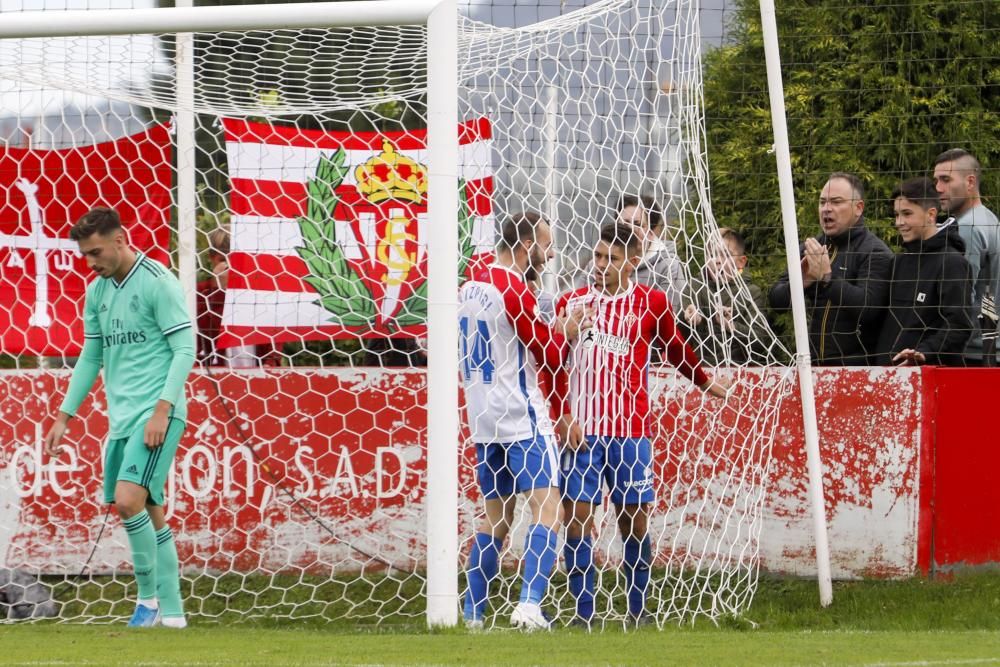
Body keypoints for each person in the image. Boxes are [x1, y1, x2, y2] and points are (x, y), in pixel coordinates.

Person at [556, 221, 729, 628]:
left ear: (632, 262)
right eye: (597, 256)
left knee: (633, 523)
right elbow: (552, 364)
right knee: (578, 522)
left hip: (631, 433)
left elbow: (674, 348)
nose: (599, 265)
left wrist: (705, 382)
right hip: (581, 433)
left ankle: (639, 611)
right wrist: (563, 413)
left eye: (610, 259)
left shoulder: (652, 302)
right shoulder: (572, 301)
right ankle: (584, 615)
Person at [43, 207, 195, 628]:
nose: (91, 263)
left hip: (158, 413)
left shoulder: (158, 282)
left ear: (120, 240)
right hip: (122, 419)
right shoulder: (98, 291)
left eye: (95, 253)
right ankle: (174, 611)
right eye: (86, 255)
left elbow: (185, 349)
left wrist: (162, 412)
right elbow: (92, 355)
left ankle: (148, 601)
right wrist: (63, 417)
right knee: (149, 509)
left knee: (129, 502)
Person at [459, 211, 590, 631]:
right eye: (546, 245)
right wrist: (567, 329)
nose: (550, 254)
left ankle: (473, 613)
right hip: (521, 416)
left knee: (495, 518)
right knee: (548, 509)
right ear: (525, 245)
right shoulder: (512, 289)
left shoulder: (471, 283)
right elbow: (549, 355)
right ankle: (529, 605)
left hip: (482, 417)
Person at [769, 173, 893, 365]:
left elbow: (868, 309)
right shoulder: (810, 248)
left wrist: (828, 279)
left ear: (858, 208)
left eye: (836, 202)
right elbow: (776, 302)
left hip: (858, 369)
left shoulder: (875, 251)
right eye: (822, 202)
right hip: (811, 368)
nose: (826, 209)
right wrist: (799, 282)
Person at [873, 177, 973, 366]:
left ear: (931, 214)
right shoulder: (900, 261)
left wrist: (924, 353)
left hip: (931, 378)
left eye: (907, 213)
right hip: (888, 376)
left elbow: (959, 326)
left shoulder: (952, 263)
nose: (899, 222)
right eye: (896, 215)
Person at [933, 148, 1000, 366]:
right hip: (988, 348)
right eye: (936, 181)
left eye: (946, 180)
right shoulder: (989, 219)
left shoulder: (967, 228)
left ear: (970, 182)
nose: (938, 188)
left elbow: (962, 297)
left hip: (971, 353)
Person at [575, 194, 687, 311]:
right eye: (624, 223)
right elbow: (578, 306)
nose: (629, 229)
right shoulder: (597, 265)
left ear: (651, 232)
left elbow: (667, 315)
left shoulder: (668, 267)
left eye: (637, 224)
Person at [680, 228, 770, 365]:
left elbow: (760, 342)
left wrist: (731, 326)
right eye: (712, 254)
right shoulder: (694, 287)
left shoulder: (752, 293)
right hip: (699, 372)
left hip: (740, 371)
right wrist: (687, 319)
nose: (717, 261)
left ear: (741, 261)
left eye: (725, 255)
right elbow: (675, 337)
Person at [196, 228, 281, 368]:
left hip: (256, 371)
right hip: (216, 373)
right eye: (223, 259)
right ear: (211, 258)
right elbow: (207, 333)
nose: (230, 266)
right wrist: (219, 289)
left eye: (235, 259)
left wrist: (270, 363)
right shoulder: (200, 292)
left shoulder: (258, 292)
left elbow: (274, 332)